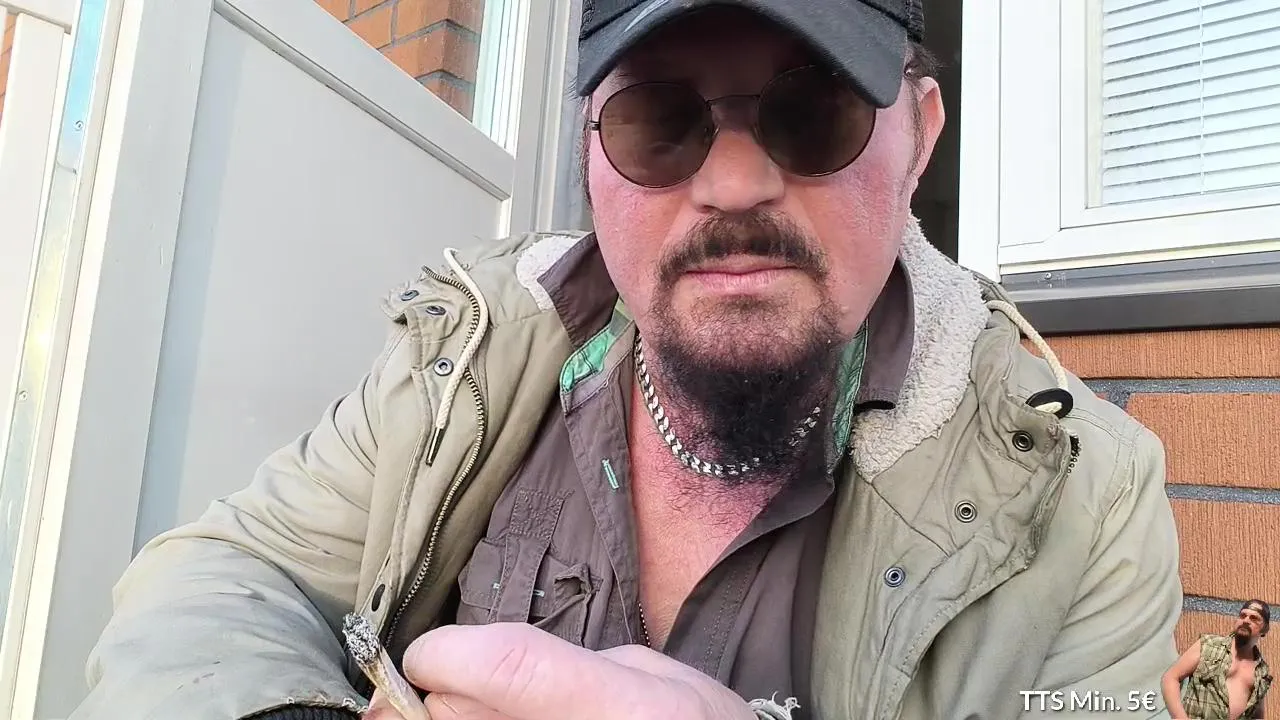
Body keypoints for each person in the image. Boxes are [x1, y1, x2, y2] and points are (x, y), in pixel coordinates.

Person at [70, 1, 1185, 718]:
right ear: (589, 155)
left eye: (813, 113)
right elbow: (227, 573)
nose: (735, 185)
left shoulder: (1083, 500)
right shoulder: (473, 352)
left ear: (920, 136)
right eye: (659, 120)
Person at [1162, 600, 1273, 720]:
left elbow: (1257, 714)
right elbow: (1170, 677)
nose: (1246, 620)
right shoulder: (1208, 645)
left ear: (1265, 629)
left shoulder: (1261, 671)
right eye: (1243, 615)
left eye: (1254, 618)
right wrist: (1179, 717)